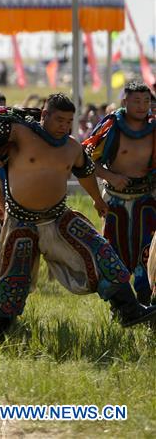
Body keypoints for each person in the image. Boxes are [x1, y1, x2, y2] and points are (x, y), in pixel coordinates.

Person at [0, 94, 156, 348]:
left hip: (59, 216)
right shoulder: (21, 134)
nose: (64, 125)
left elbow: (85, 173)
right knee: (12, 281)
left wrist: (96, 200)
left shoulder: (72, 146)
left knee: (103, 253)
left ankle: (128, 310)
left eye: (69, 120)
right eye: (59, 119)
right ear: (44, 115)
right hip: (20, 220)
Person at [83, 82, 156, 305]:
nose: (142, 106)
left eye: (146, 101)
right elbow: (84, 161)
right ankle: (122, 306)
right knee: (113, 254)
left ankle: (147, 304)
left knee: (147, 253)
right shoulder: (110, 127)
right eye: (137, 101)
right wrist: (110, 176)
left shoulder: (154, 128)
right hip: (115, 200)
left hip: (147, 199)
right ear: (125, 101)